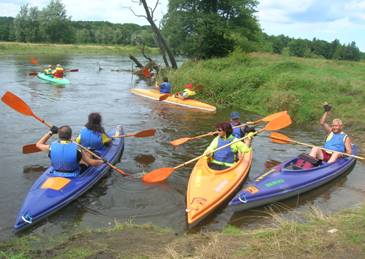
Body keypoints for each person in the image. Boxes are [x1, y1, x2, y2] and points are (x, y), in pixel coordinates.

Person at [36, 125, 104, 177]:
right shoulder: (77, 147)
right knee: (88, 155)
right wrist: (102, 161)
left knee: (77, 156)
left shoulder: (51, 147)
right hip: (73, 174)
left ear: (59, 135)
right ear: (70, 136)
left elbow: (38, 144)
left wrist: (50, 133)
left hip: (56, 172)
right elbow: (91, 163)